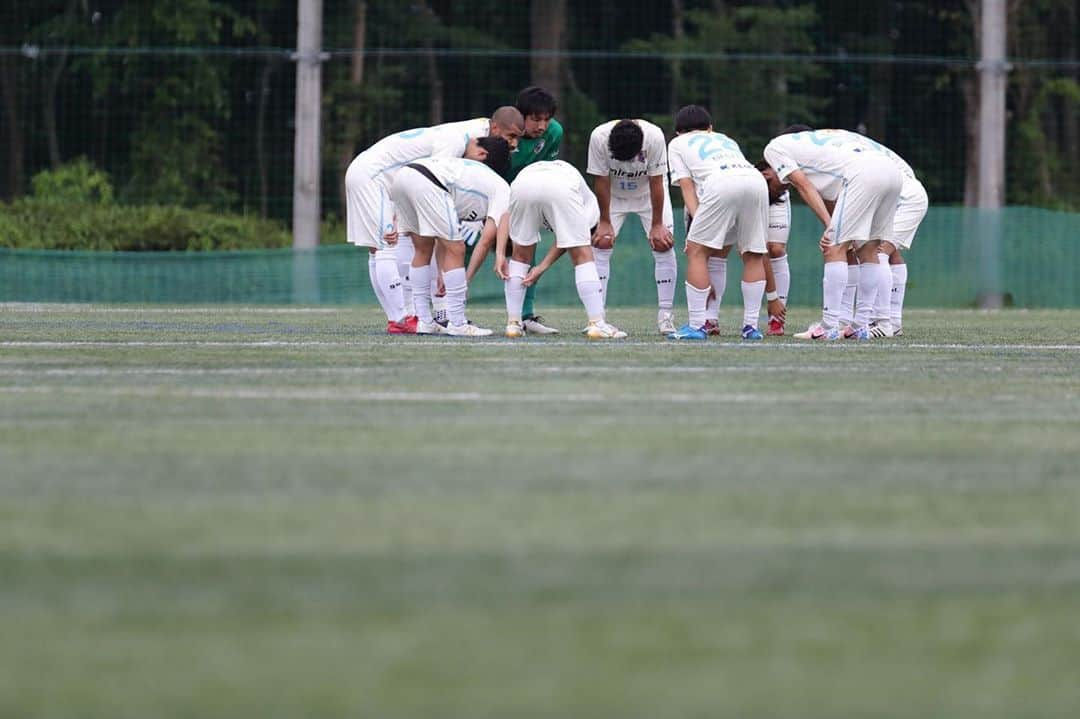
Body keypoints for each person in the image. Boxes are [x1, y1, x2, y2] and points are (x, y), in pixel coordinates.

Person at [344, 108, 523, 333]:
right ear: (490, 134)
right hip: (377, 176)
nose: (514, 145)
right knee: (394, 247)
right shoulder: (458, 143)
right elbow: (433, 178)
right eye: (511, 137)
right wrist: (469, 275)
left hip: (394, 177)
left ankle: (414, 320)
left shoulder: (466, 135)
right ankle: (433, 320)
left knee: (408, 247)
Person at [762, 126, 904, 340]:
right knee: (869, 250)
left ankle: (828, 326)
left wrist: (830, 226)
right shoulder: (823, 140)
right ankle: (860, 325)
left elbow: (804, 186)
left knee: (833, 247)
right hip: (893, 172)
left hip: (863, 173)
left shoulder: (774, 147)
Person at [389, 136, 512, 337]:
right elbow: (485, 240)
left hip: (404, 176)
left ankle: (425, 322)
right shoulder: (503, 189)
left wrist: (443, 274)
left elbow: (441, 238)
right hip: (427, 181)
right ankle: (458, 323)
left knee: (422, 248)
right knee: (458, 248)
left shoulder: (472, 177)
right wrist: (466, 278)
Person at [665, 105, 770, 341]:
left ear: (678, 132)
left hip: (720, 182)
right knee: (753, 254)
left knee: (697, 252)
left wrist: (695, 232)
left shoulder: (677, 144)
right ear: (710, 128)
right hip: (755, 180)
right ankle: (751, 327)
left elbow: (687, 186)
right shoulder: (725, 139)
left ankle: (696, 325)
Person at [495, 160, 627, 340]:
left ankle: (513, 324)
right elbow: (568, 243)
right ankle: (597, 323)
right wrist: (541, 267)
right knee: (583, 255)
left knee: (520, 255)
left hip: (523, 183)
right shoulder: (593, 209)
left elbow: (505, 215)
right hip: (559, 185)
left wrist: (500, 254)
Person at [586, 118, 678, 334]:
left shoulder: (654, 136)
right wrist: (605, 221)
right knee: (601, 243)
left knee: (663, 243)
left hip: (648, 194)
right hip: (613, 195)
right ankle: (597, 318)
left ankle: (666, 316)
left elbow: (657, 182)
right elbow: (600, 180)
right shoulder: (598, 137)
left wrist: (657, 225)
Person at [504, 87, 563, 335]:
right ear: (521, 117)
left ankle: (524, 317)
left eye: (546, 119)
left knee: (528, 251)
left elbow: (545, 171)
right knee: (465, 248)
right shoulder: (503, 134)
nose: (542, 125)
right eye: (535, 119)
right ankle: (449, 313)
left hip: (525, 198)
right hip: (495, 197)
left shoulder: (554, 132)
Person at [757, 161, 793, 336]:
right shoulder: (776, 148)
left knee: (776, 249)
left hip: (777, 196)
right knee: (753, 251)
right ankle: (710, 318)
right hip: (751, 189)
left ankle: (777, 319)